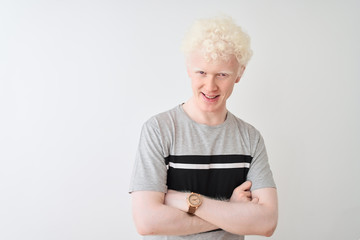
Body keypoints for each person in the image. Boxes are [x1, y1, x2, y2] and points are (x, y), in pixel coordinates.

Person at [129, 16, 278, 240]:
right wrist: (232, 210)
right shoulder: (159, 130)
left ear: (240, 73)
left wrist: (185, 201)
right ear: (189, 69)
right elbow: (147, 222)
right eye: (202, 72)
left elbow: (266, 223)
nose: (210, 86)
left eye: (222, 74)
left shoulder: (250, 138)